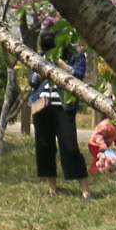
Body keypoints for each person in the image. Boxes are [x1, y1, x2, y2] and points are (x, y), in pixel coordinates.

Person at [29, 26, 90, 198]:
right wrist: (42, 68)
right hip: (42, 107)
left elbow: (78, 75)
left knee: (70, 147)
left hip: (64, 108)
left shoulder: (75, 56)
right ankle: (52, 189)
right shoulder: (39, 57)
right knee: (44, 148)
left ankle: (85, 190)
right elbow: (32, 80)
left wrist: (60, 63)